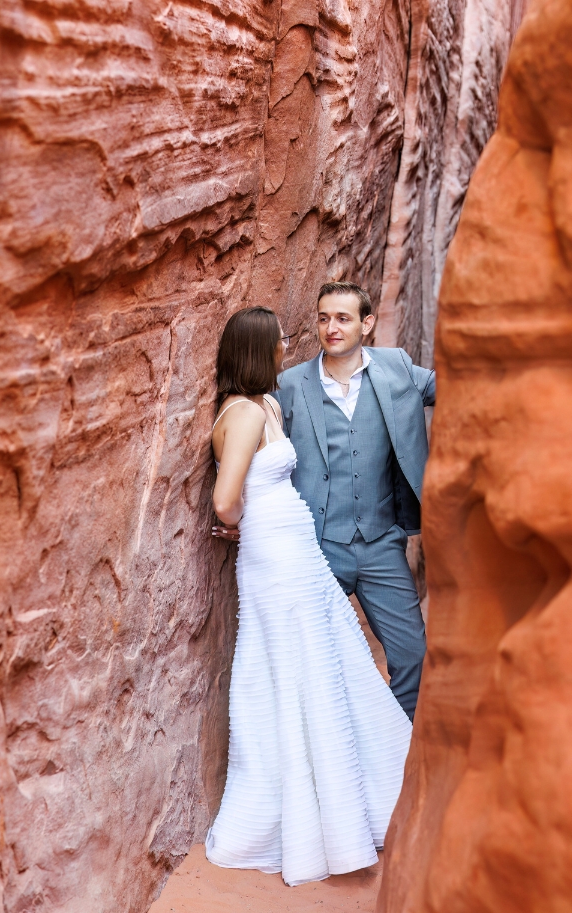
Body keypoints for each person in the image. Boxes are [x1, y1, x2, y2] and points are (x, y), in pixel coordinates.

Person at [205, 306, 411, 888]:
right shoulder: (242, 415)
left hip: (298, 551)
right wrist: (246, 524)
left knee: (327, 662)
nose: (284, 347)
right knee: (294, 672)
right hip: (274, 555)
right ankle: (313, 822)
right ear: (257, 349)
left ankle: (353, 795)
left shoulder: (267, 405)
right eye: (277, 341)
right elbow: (225, 498)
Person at [274, 282, 435, 720]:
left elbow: (455, 389)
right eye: (324, 317)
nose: (331, 327)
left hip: (381, 543)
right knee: (311, 666)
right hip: (317, 547)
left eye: (342, 318)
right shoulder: (289, 385)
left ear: (366, 323)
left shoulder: (397, 367)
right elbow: (257, 446)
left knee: (413, 655)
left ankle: (396, 750)